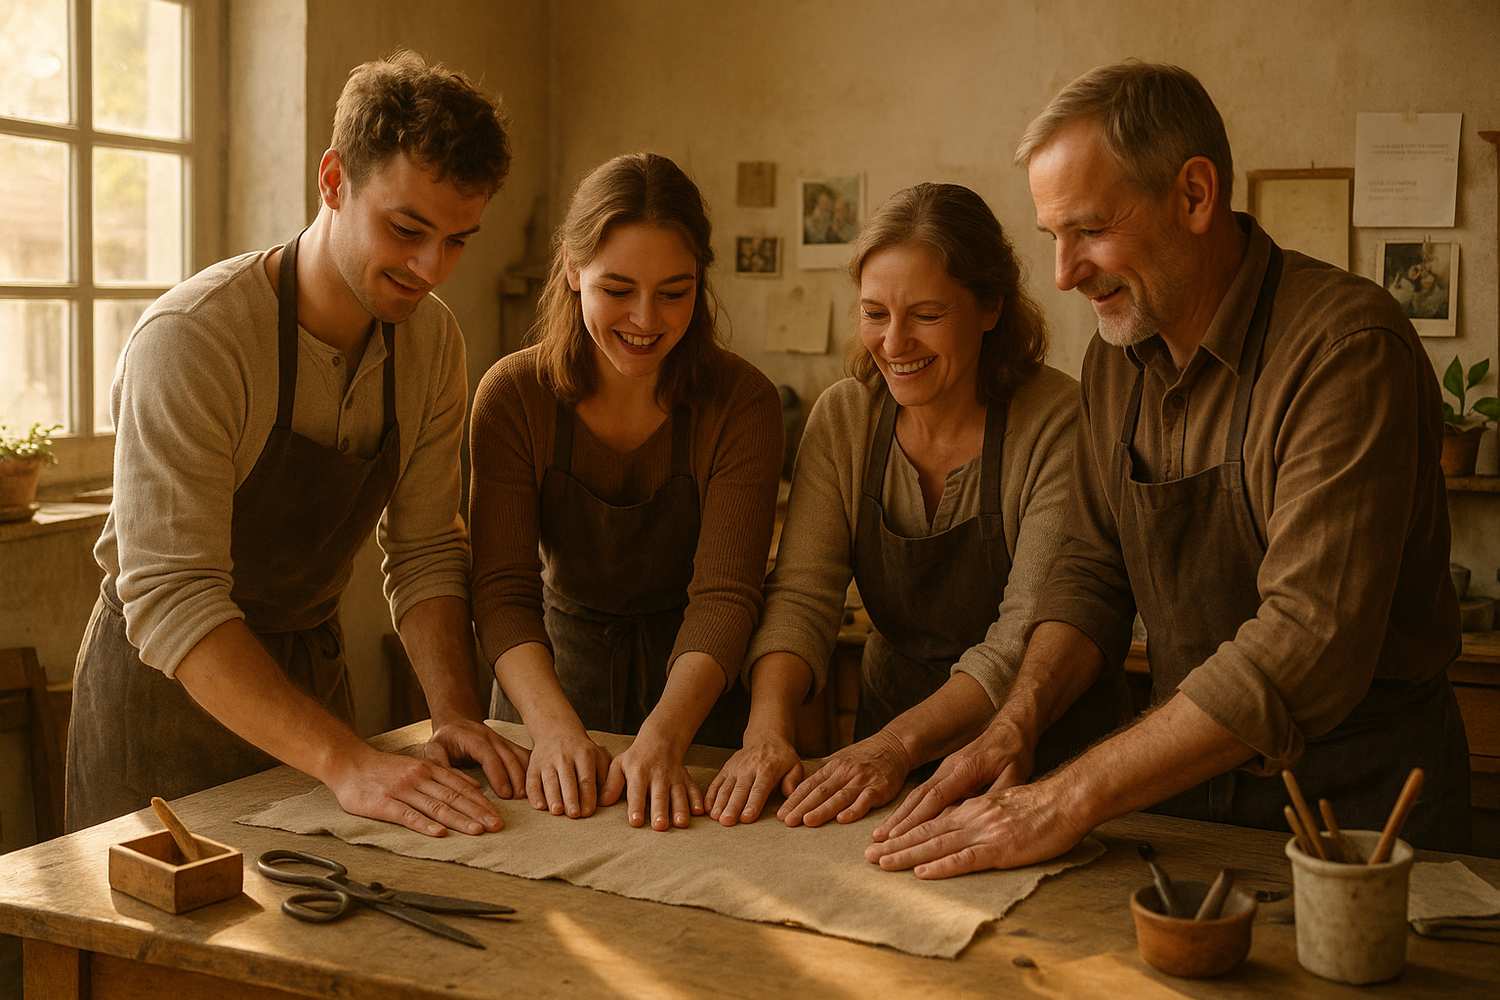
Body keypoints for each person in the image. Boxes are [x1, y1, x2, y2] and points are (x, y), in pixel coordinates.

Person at [867, 62, 1469, 879]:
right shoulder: (1119, 359)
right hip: (1186, 793)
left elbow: (1306, 642)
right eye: (1053, 238)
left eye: (1088, 230)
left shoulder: (1344, 350)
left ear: (1194, 195)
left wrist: (1066, 797)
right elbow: (1090, 571)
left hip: (1360, 815)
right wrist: (1018, 722)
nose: (1064, 274)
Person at [66, 51, 530, 837]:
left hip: (311, 682)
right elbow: (175, 597)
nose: (430, 269)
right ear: (333, 180)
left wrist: (452, 713)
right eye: (407, 229)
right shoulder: (194, 340)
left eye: (457, 241)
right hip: (165, 697)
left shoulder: (431, 345)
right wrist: (345, 760)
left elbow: (422, 551)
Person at [706, 183, 1127, 830]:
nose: (895, 343)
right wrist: (768, 728)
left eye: (926, 314)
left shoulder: (1057, 421)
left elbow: (1024, 632)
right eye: (875, 313)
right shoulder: (845, 417)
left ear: (990, 305)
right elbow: (802, 596)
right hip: (885, 737)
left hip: (1035, 754)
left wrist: (896, 748)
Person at [468, 152, 783, 832]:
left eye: (674, 292)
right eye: (617, 289)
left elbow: (726, 596)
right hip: (547, 685)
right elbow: (501, 592)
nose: (646, 319)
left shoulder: (742, 403)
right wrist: (551, 729)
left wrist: (666, 736)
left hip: (699, 698)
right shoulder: (512, 397)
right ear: (572, 269)